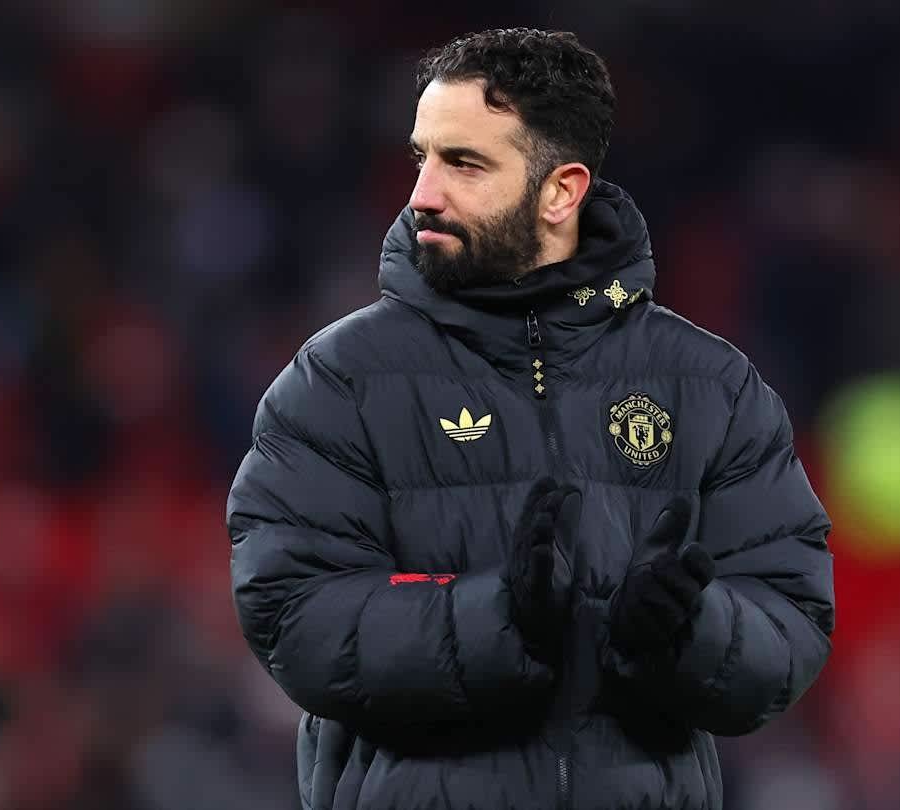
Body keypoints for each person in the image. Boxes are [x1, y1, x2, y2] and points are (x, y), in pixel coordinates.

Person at [228, 27, 834, 810]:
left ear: (561, 191)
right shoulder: (338, 382)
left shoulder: (708, 385)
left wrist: (688, 631)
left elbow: (791, 620)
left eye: (465, 163)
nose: (422, 195)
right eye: (423, 157)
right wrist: (498, 618)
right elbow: (294, 617)